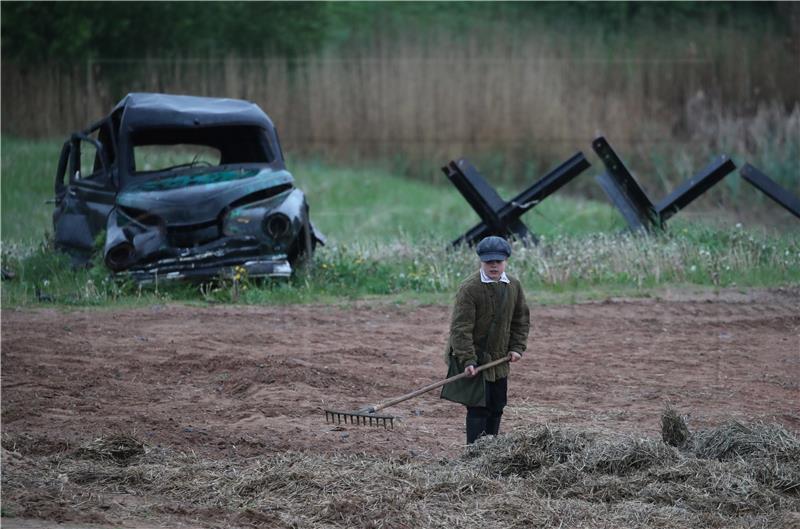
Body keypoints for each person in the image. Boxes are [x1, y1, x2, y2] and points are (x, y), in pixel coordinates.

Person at [441, 235, 530, 444]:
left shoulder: (514, 286)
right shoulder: (470, 288)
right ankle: (474, 454)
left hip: (500, 359)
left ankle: (492, 452)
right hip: (475, 358)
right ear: (481, 261)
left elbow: (521, 320)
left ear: (505, 261)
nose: (494, 266)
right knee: (478, 408)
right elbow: (460, 329)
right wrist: (468, 360)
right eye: (489, 262)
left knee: (497, 405)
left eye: (498, 262)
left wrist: (517, 347)